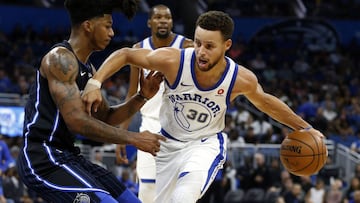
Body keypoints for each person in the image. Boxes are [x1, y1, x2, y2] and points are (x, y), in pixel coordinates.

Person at [82, 10, 325, 203]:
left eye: (209, 46)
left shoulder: (239, 78)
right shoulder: (174, 61)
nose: (201, 52)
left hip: (204, 145)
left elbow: (266, 103)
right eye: (198, 43)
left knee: (184, 197)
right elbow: (125, 54)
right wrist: (95, 82)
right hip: (166, 145)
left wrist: (305, 127)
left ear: (227, 45)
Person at [16, 0, 166, 202]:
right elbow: (77, 121)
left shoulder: (89, 70)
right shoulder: (60, 59)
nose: (112, 33)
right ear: (88, 25)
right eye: (107, 25)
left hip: (69, 155)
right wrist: (134, 138)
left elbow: (106, 117)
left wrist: (142, 96)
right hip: (42, 157)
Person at [115, 4, 193, 202]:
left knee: (180, 193)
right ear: (150, 22)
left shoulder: (187, 47)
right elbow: (132, 95)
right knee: (148, 191)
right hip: (149, 128)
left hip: (180, 130)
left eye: (167, 17)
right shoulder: (139, 50)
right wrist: (122, 136)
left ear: (172, 22)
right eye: (158, 17)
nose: (163, 21)